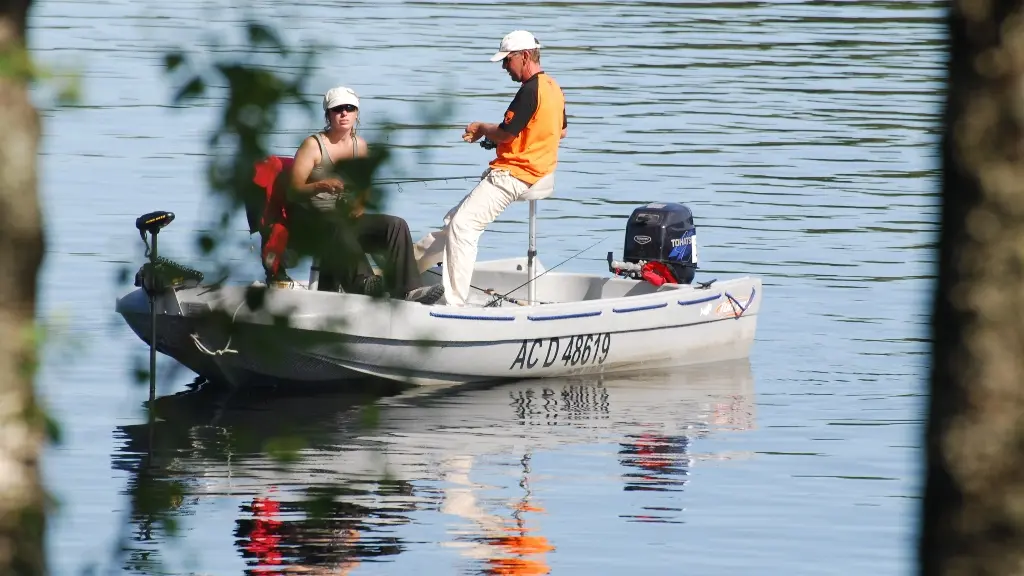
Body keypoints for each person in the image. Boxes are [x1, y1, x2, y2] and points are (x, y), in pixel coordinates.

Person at [413, 30, 567, 307]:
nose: (504, 66)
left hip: (515, 174)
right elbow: (561, 131)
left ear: (524, 56)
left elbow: (506, 134)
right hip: (537, 170)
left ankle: (453, 303)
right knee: (452, 223)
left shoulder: (530, 90)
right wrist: (512, 139)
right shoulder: (554, 88)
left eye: (507, 60)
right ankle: (400, 274)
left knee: (464, 226)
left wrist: (482, 128)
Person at [288, 85, 444, 304]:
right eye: (337, 109)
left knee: (396, 225)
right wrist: (320, 185)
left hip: (345, 221)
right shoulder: (313, 146)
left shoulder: (359, 146)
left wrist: (358, 205)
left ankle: (409, 290)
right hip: (315, 225)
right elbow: (293, 190)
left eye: (349, 108)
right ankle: (364, 284)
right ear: (328, 114)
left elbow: (365, 188)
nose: (343, 113)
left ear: (356, 113)